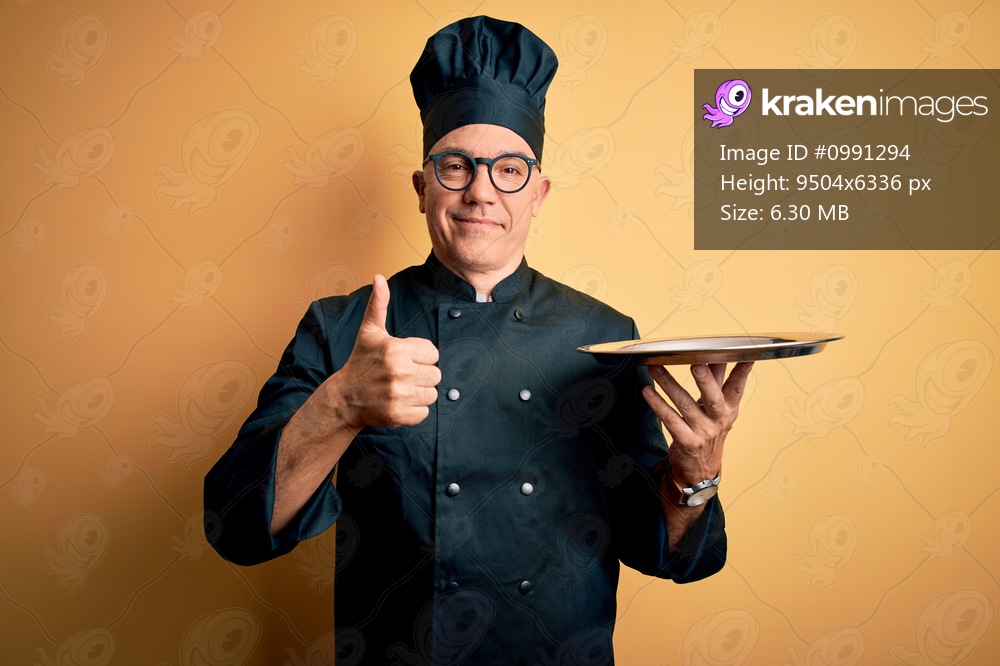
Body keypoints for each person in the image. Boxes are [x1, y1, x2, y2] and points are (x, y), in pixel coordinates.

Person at [204, 15, 752, 665]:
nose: (481, 192)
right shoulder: (341, 328)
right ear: (422, 187)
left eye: (510, 169)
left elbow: (665, 552)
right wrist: (340, 405)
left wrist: (697, 474)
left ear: (539, 193)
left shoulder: (604, 338)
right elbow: (236, 525)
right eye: (456, 166)